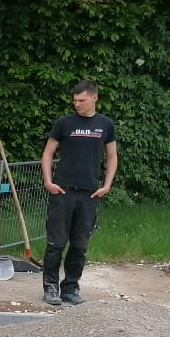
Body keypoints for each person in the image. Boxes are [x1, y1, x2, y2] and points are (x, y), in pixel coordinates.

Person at [40, 79, 119, 306]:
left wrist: (107, 185)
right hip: (62, 191)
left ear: (94, 97)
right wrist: (48, 181)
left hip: (89, 194)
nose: (77, 104)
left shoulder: (105, 124)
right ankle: (50, 288)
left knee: (80, 245)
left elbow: (112, 156)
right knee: (56, 243)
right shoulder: (64, 122)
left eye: (81, 100)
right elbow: (48, 152)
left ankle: (71, 288)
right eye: (74, 100)